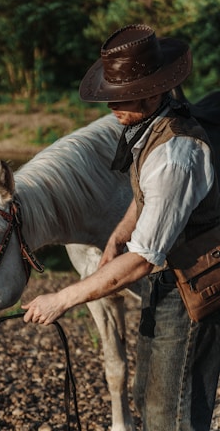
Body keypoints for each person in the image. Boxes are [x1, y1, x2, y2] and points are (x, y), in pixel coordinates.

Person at [22, 24, 220, 430]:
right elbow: (147, 196)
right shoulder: (148, 129)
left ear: (152, 92)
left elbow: (143, 261)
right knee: (150, 396)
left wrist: (61, 299)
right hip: (167, 285)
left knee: (171, 415)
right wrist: (118, 233)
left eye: (122, 97)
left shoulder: (176, 153)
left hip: (191, 288)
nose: (111, 106)